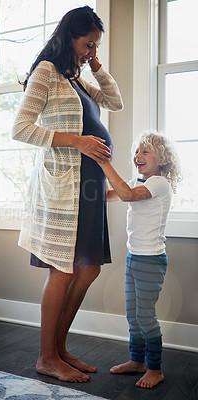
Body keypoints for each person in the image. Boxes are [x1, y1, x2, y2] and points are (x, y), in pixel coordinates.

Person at [11, 6, 123, 383]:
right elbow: (21, 129)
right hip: (63, 189)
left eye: (95, 46)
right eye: (87, 43)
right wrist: (76, 141)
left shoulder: (75, 79)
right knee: (63, 269)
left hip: (89, 187)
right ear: (69, 37)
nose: (91, 50)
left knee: (88, 268)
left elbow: (114, 102)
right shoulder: (47, 73)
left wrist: (96, 67)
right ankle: (46, 356)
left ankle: (59, 347)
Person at [97, 131, 181, 389]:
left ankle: (155, 368)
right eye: (137, 151)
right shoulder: (138, 181)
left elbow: (128, 195)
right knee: (133, 316)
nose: (138, 156)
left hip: (151, 260)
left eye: (146, 152)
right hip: (134, 257)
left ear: (163, 160)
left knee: (145, 317)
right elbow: (114, 193)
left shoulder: (158, 184)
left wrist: (103, 162)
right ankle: (138, 361)